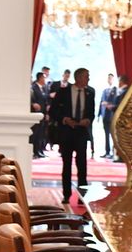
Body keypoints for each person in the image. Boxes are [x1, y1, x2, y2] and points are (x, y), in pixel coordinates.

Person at [49, 67, 95, 203]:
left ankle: (82, 195)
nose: (88, 79)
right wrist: (64, 119)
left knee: (82, 165)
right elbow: (53, 111)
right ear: (79, 78)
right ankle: (67, 194)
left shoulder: (90, 93)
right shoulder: (63, 92)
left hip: (81, 132)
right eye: (87, 76)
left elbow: (91, 112)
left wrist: (88, 120)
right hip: (66, 132)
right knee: (66, 164)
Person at [98, 73, 118, 159]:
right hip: (105, 115)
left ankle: (114, 153)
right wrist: (99, 114)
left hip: (111, 115)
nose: (109, 79)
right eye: (108, 78)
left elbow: (116, 103)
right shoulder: (104, 90)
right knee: (106, 134)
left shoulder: (115, 90)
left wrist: (108, 104)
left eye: (111, 78)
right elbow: (101, 102)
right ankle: (107, 151)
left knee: (112, 135)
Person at [30, 71, 49, 158]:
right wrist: (33, 104)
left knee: (41, 134)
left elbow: (46, 99)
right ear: (40, 78)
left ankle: (39, 150)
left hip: (43, 113)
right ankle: (34, 151)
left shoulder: (45, 88)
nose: (45, 79)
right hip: (35, 114)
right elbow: (32, 100)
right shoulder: (34, 88)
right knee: (35, 134)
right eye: (44, 77)